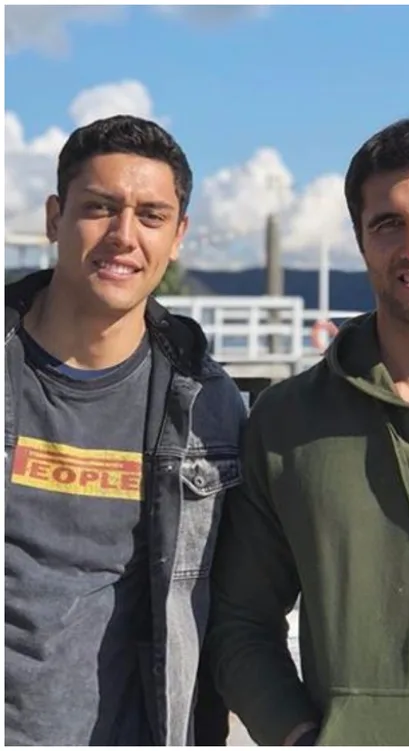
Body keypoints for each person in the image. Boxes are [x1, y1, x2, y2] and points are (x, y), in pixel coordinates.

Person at [206, 116, 409, 746]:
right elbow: (239, 622)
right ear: (361, 240)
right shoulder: (286, 422)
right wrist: (300, 737)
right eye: (387, 224)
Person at [5, 115, 246, 746]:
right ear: (54, 218)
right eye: (100, 208)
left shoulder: (209, 409)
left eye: (151, 215)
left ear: (178, 235)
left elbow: (228, 612)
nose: (123, 236)